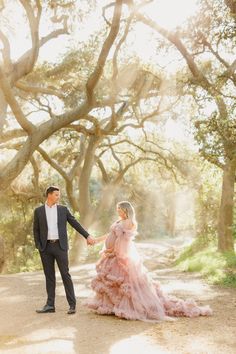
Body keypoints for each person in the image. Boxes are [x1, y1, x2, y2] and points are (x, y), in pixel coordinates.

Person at [85, 201, 212, 322]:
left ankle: (128, 307)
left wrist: (112, 251)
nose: (117, 211)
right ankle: (111, 306)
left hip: (120, 253)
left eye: (119, 209)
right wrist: (97, 240)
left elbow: (122, 241)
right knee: (111, 282)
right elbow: (110, 235)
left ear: (125, 210)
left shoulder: (129, 222)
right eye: (117, 209)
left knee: (124, 281)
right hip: (111, 253)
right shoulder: (120, 220)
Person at [33, 186, 95, 315]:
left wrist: (87, 236)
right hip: (45, 248)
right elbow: (36, 230)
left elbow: (75, 223)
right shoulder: (38, 211)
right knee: (49, 276)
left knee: (65, 275)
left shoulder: (63, 210)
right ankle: (50, 305)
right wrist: (39, 246)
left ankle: (72, 305)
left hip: (60, 247)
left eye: (58, 194)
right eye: (56, 194)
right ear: (49, 195)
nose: (58, 197)